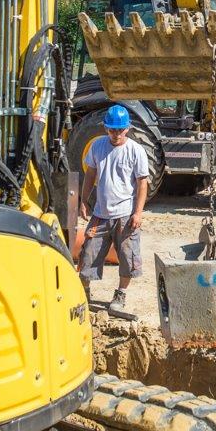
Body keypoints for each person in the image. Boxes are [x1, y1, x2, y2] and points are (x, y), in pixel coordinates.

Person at [78, 104, 150, 313]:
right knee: (88, 254)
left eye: (120, 130)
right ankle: (84, 291)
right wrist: (84, 200)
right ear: (106, 128)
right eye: (112, 129)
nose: (116, 134)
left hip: (125, 215)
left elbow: (142, 183)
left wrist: (137, 213)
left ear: (127, 129)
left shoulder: (135, 151)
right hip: (101, 213)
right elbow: (90, 175)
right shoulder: (98, 146)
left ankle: (121, 293)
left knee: (128, 257)